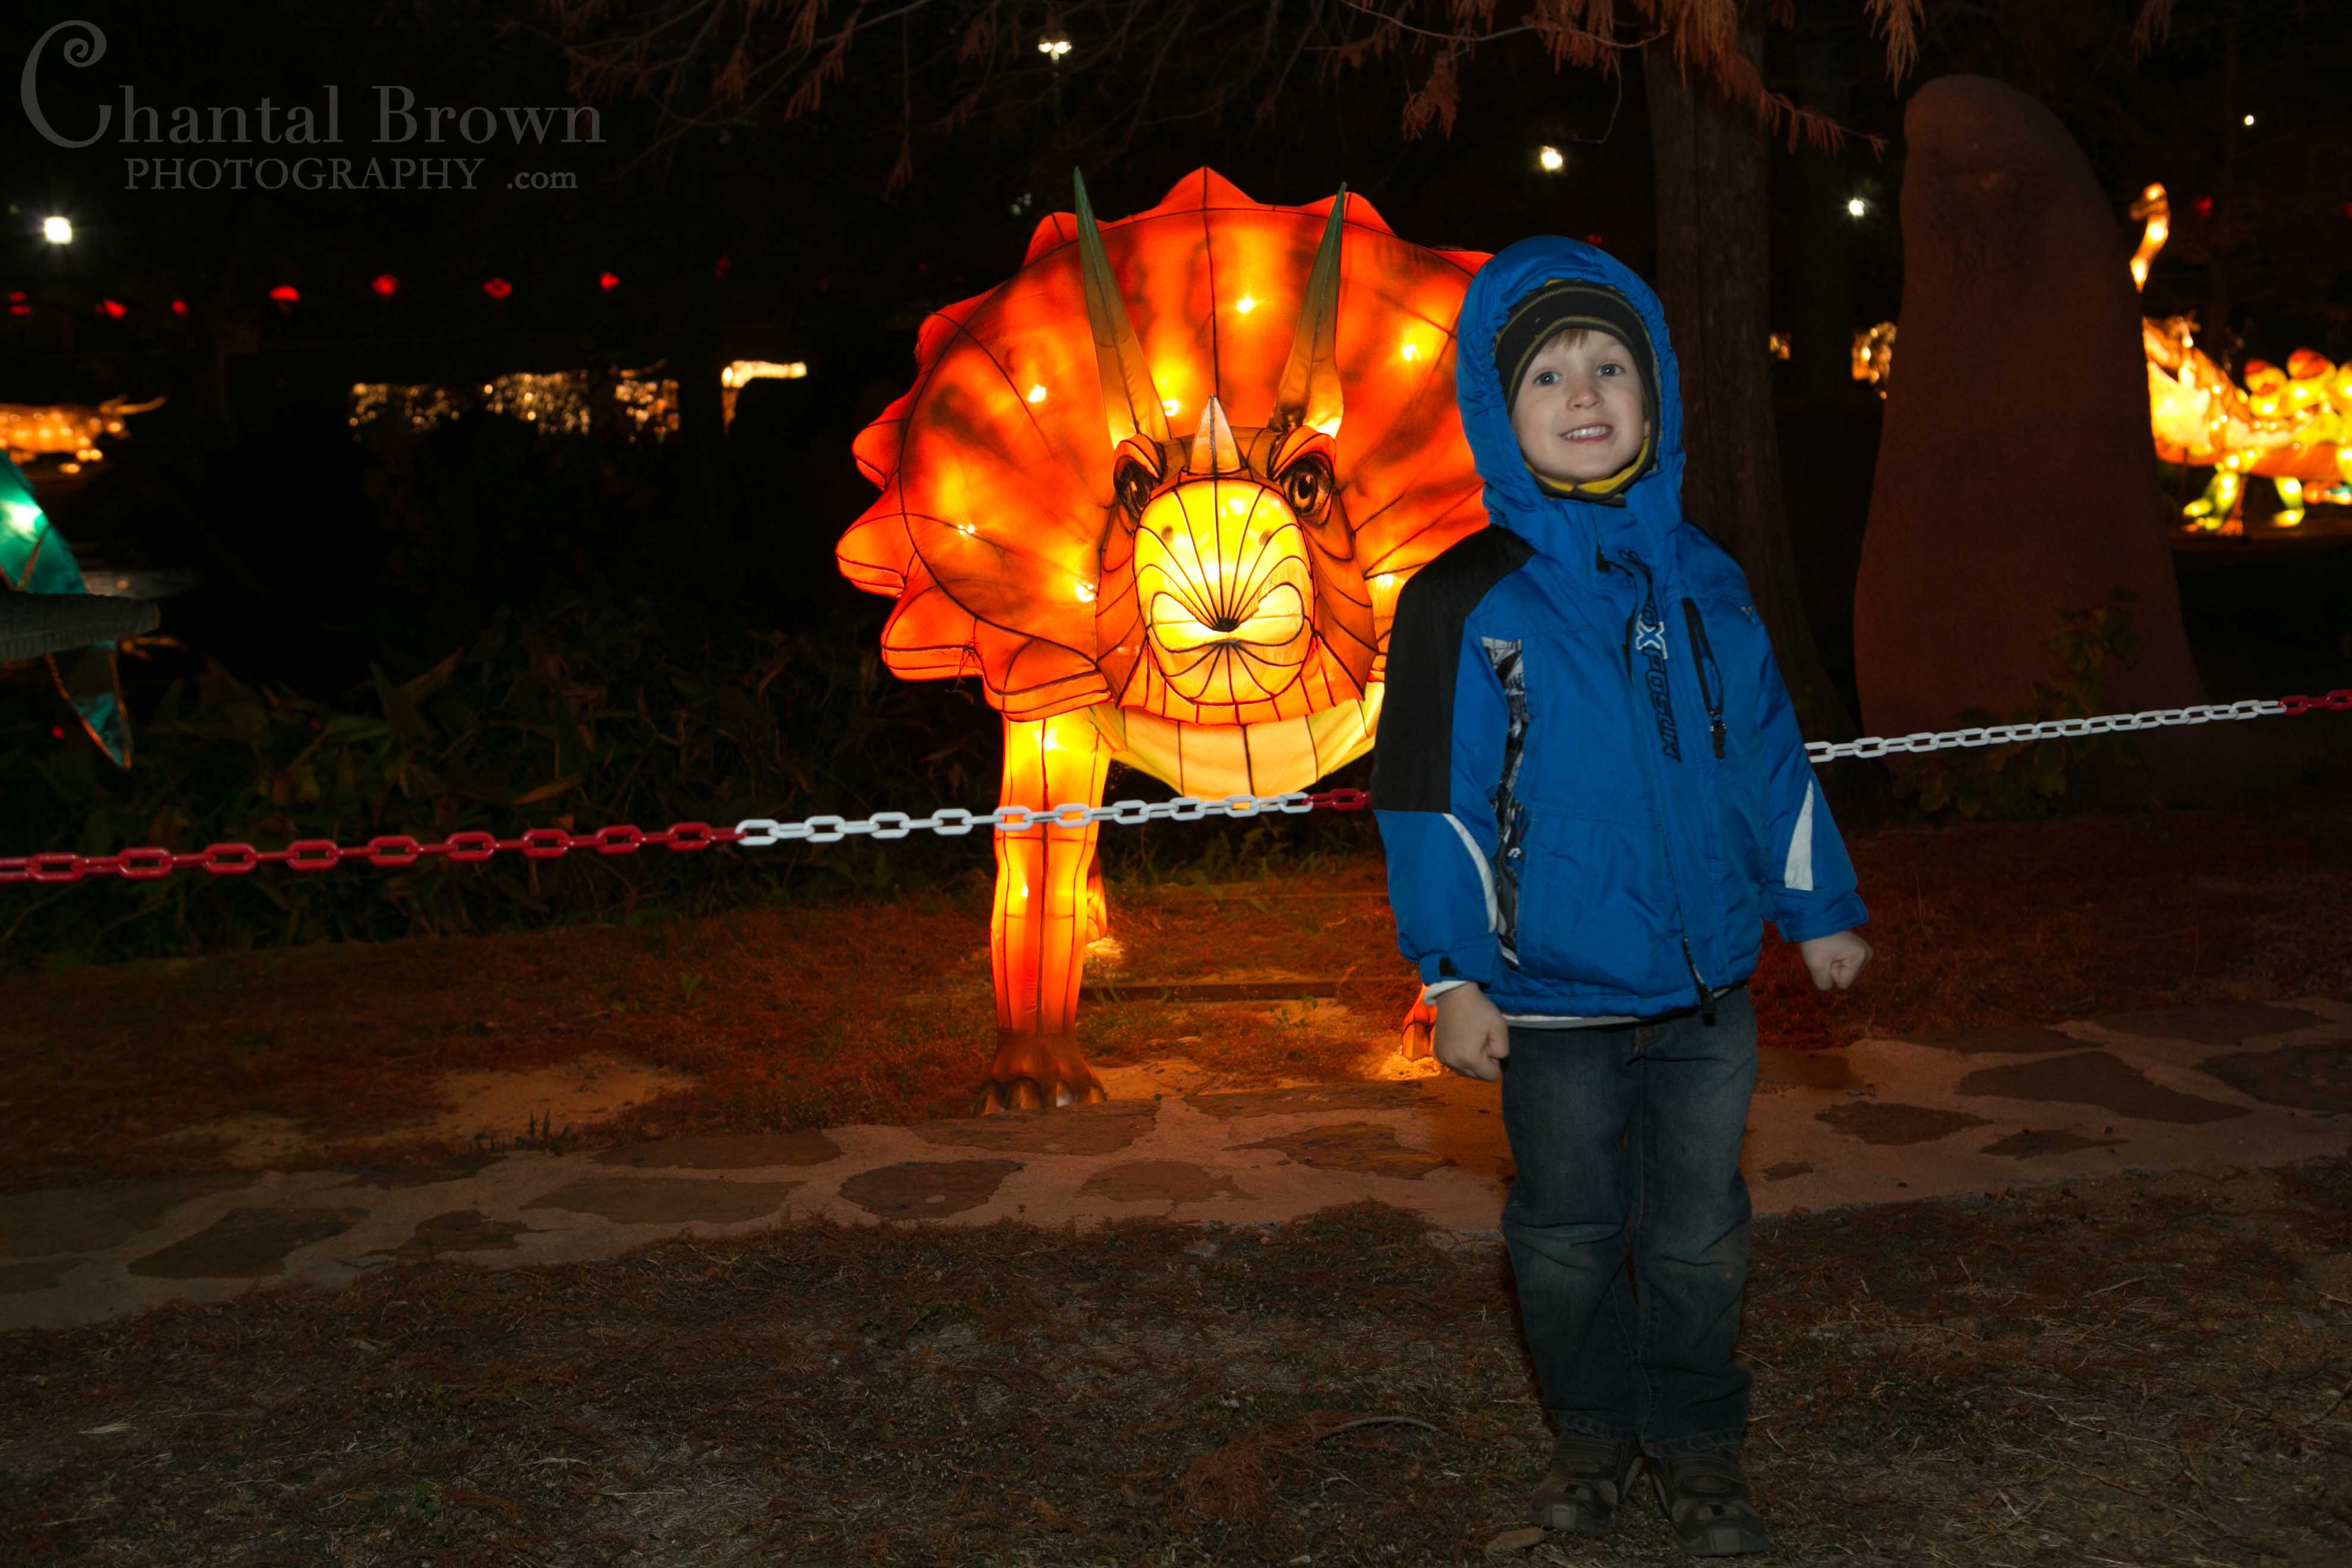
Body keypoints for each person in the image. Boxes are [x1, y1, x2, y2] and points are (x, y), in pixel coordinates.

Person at [1370, 238, 1871, 1558]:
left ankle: (1699, 1449)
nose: (1583, 392)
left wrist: (1816, 909)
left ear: (1656, 399)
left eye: (1610, 366)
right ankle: (1592, 1438)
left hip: (1710, 992)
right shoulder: (1462, 603)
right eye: (1546, 374)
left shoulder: (1707, 580)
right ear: (1499, 408)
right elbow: (1431, 807)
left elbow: (1770, 755)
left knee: (1701, 1236)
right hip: (1551, 1009)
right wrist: (1455, 976)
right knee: (1570, 1240)